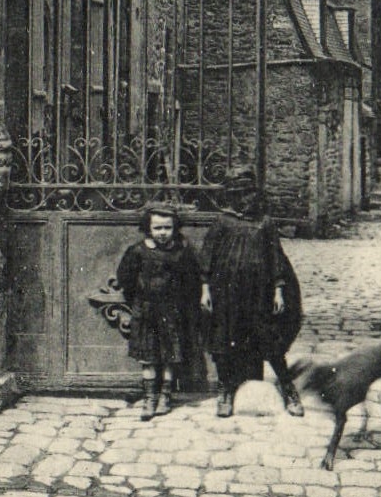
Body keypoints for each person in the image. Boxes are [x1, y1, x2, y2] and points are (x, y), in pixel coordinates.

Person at [199, 166, 304, 418]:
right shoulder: (222, 222)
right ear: (230, 196)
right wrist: (205, 288)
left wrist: (279, 290)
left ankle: (288, 388)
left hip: (259, 294)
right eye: (238, 193)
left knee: (269, 341)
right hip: (226, 294)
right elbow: (207, 258)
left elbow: (276, 258)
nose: (244, 199)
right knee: (225, 339)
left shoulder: (265, 223)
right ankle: (225, 390)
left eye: (248, 193)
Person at [115, 202, 203, 420]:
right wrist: (138, 299)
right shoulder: (137, 251)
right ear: (148, 228)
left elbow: (191, 280)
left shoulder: (181, 252)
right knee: (149, 357)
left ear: (175, 228)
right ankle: (149, 398)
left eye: (167, 228)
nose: (162, 233)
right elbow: (125, 278)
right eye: (157, 228)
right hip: (145, 311)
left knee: (169, 355)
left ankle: (165, 395)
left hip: (172, 311)